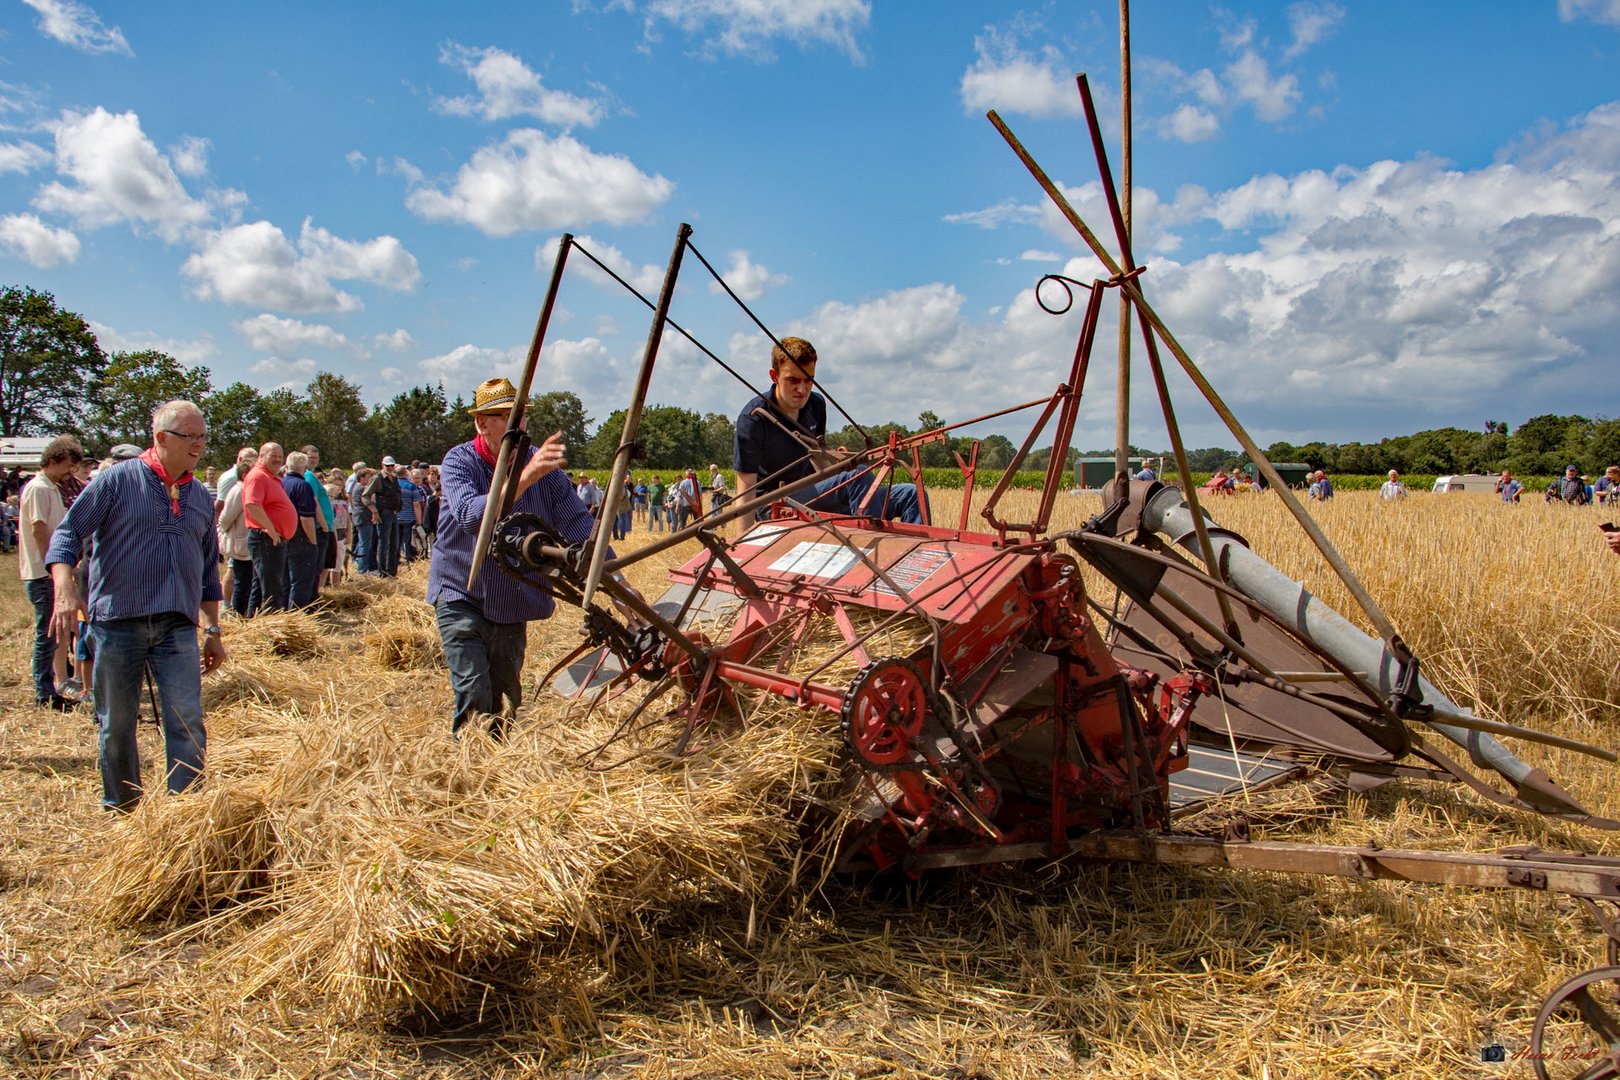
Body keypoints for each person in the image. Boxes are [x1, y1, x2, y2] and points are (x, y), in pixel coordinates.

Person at [426, 377, 640, 740]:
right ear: (482, 423)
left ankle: (496, 766)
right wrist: (525, 477)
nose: (519, 425)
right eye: (507, 416)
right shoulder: (460, 462)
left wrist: (618, 586)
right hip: (462, 592)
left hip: (511, 596)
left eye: (522, 416)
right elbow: (471, 516)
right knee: (475, 692)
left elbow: (578, 525)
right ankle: (467, 767)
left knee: (507, 697)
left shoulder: (543, 469)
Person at [46, 400, 224, 812]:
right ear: (160, 438)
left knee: (187, 721)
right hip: (118, 622)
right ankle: (124, 809)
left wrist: (213, 631)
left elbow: (207, 573)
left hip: (178, 624)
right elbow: (67, 536)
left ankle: (185, 814)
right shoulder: (117, 482)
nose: (198, 444)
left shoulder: (198, 495)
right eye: (189, 436)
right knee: (117, 725)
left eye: (202, 436)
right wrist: (65, 586)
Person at [733, 336, 927, 524]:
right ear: (774, 376)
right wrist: (742, 546)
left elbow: (818, 461)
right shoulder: (753, 419)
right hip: (773, 505)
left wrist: (838, 466)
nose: (802, 389)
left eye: (809, 380)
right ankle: (875, 549)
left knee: (911, 494)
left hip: (810, 493)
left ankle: (916, 555)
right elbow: (746, 489)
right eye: (793, 380)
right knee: (856, 477)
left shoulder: (816, 404)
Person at [21, 436, 84, 710]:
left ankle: (47, 688)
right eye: (68, 465)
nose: (70, 472)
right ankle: (44, 692)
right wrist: (53, 565)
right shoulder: (40, 489)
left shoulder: (49, 487)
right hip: (41, 573)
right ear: (53, 460)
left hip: (46, 572)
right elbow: (39, 528)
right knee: (46, 634)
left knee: (52, 634)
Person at [243, 442, 296, 612]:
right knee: (272, 589)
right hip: (266, 538)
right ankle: (271, 625)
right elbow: (252, 505)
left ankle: (256, 624)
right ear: (261, 456)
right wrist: (272, 530)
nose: (277, 460)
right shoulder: (258, 476)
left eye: (280, 457)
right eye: (273, 456)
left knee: (263, 587)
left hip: (273, 539)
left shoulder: (271, 478)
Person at [280, 451, 320, 608]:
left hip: (283, 534)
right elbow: (306, 518)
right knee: (301, 580)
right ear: (304, 467)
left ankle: (284, 610)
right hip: (301, 536)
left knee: (285, 579)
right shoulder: (303, 486)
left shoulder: (280, 483)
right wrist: (313, 541)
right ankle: (297, 614)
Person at [216, 472, 255, 617]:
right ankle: (234, 611)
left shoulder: (251, 489)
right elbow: (225, 519)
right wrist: (226, 534)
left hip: (248, 543)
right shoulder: (238, 490)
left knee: (245, 579)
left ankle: (242, 611)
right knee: (239, 577)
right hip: (240, 543)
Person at [300, 445, 333, 600]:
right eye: (310, 457)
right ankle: (312, 599)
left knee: (319, 566)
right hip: (318, 528)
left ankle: (314, 596)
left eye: (316, 457)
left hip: (321, 527)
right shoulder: (308, 476)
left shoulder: (311, 475)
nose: (313, 460)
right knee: (315, 567)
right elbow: (313, 501)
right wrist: (324, 525)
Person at [364, 457, 403, 575]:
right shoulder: (377, 478)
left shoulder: (395, 478)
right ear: (382, 465)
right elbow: (365, 496)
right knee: (384, 543)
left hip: (394, 513)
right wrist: (374, 511)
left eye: (392, 465)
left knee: (394, 544)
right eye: (388, 466)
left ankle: (392, 571)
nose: (390, 468)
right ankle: (382, 571)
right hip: (384, 513)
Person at [396, 465, 422, 564]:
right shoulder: (411, 486)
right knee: (407, 540)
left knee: (397, 540)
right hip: (408, 517)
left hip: (396, 517)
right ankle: (408, 559)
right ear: (406, 473)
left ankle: (396, 558)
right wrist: (419, 520)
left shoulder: (393, 485)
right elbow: (416, 504)